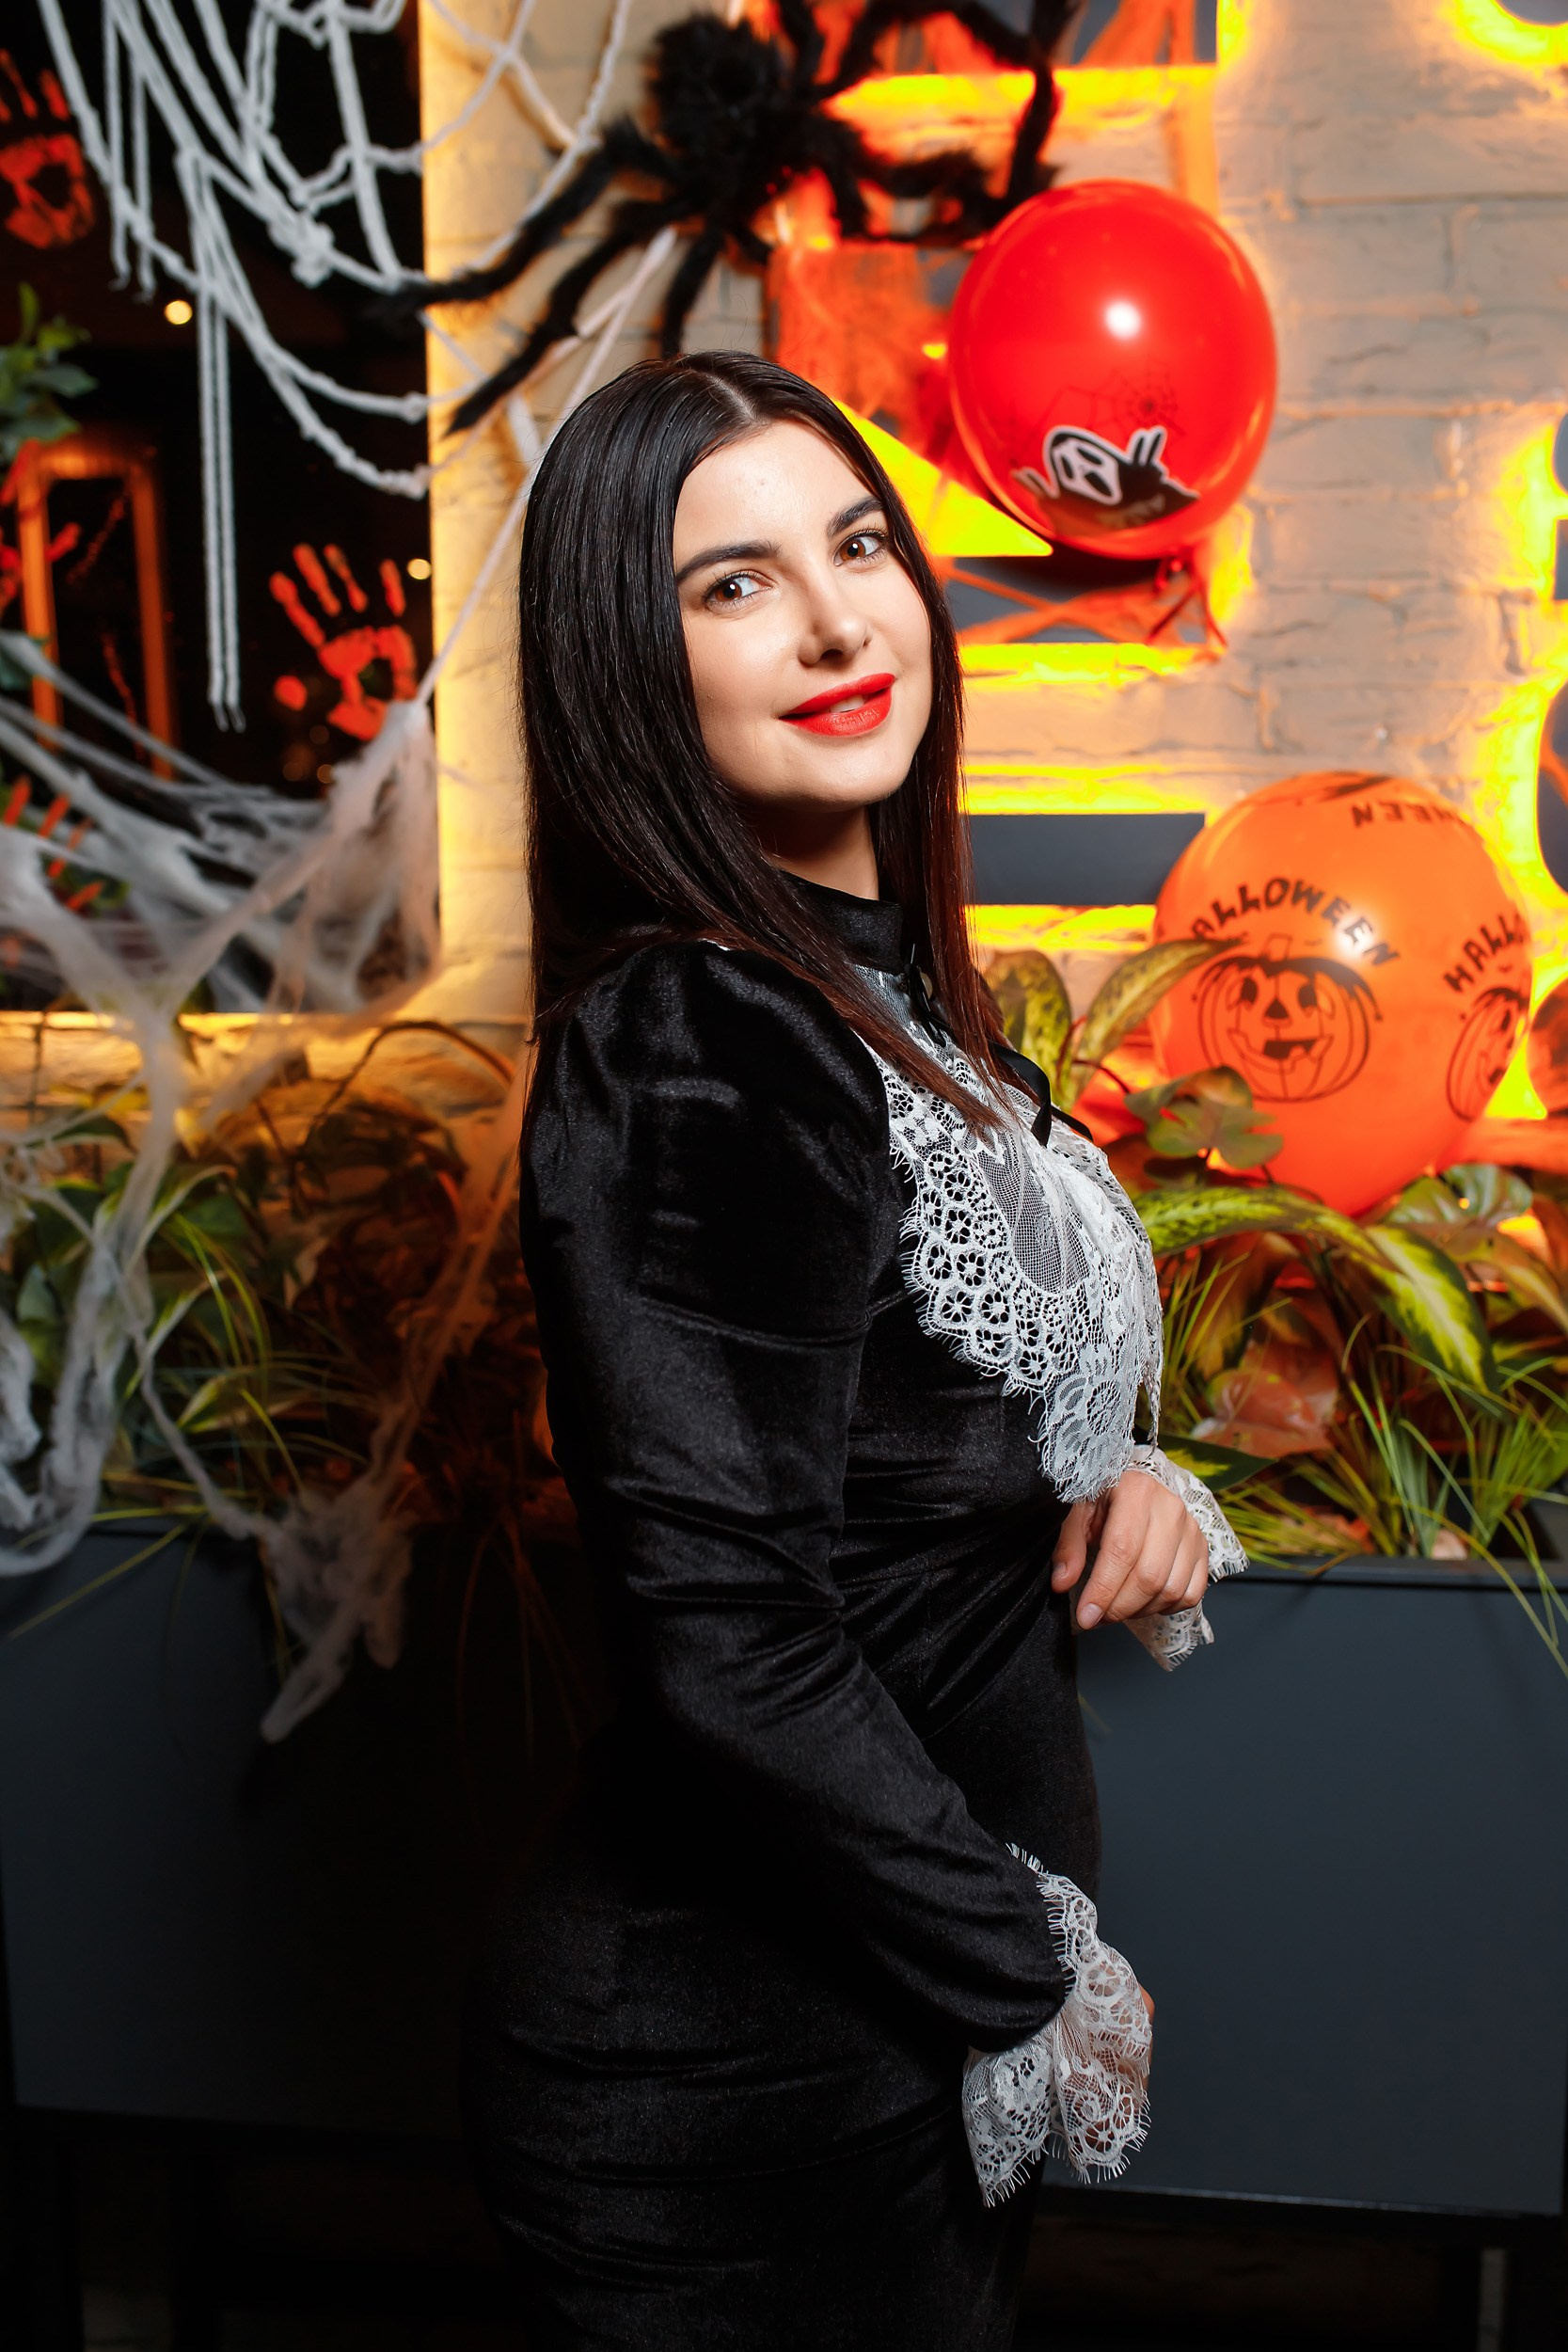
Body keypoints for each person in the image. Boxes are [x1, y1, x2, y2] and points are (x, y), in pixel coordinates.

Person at [462, 350, 1243, 2351]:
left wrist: (1128, 1478)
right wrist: (1026, 1969)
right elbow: (726, 1625)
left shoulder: (896, 1004)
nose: (833, 622)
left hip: (886, 2053)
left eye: (860, 546)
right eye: (733, 584)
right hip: (731, 2082)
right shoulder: (700, 1040)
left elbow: (908, 1417)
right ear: (632, 669)